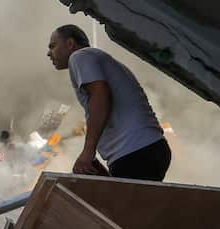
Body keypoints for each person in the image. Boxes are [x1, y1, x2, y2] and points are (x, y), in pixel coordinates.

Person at [47, 24, 172, 181]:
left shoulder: (79, 56)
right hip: (147, 149)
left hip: (133, 152)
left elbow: (100, 96)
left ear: (70, 44)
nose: (48, 53)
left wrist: (88, 152)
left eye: (53, 46)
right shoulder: (102, 59)